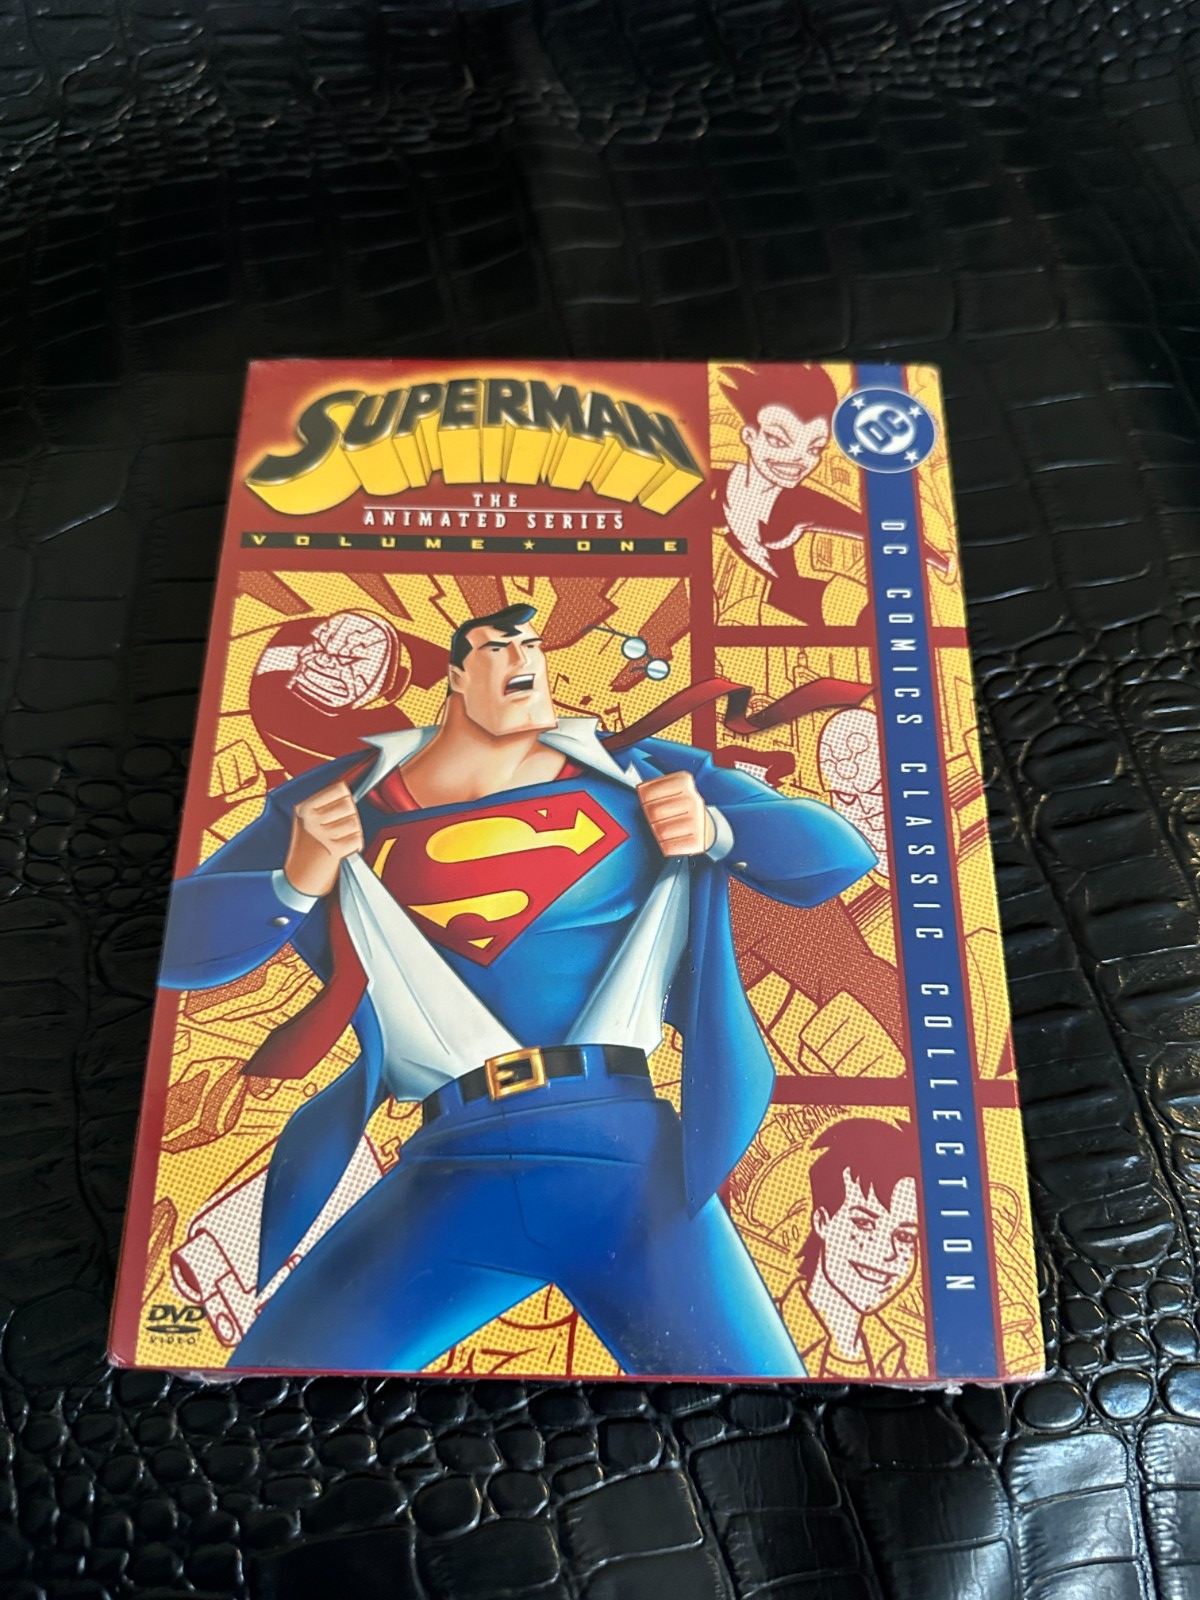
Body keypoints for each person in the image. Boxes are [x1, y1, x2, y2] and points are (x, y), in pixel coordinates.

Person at [159, 603, 876, 1376]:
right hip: (451, 1166)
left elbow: (840, 857)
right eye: (498, 646)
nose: (523, 656)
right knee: (267, 1380)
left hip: (625, 1166)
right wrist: (294, 880)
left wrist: (719, 832)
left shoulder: (640, 772)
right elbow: (178, 949)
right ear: (454, 677)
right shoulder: (340, 799)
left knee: (771, 1396)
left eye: (531, 644)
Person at [719, 365, 868, 624]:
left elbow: (877, 532)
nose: (798, 459)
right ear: (749, 435)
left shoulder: (808, 510)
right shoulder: (708, 491)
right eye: (779, 441)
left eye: (814, 448)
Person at [777, 1117, 919, 1378]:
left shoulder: (890, 1356)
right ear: (822, 1222)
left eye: (905, 1236)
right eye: (864, 1223)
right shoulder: (768, 1330)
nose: (887, 1252)